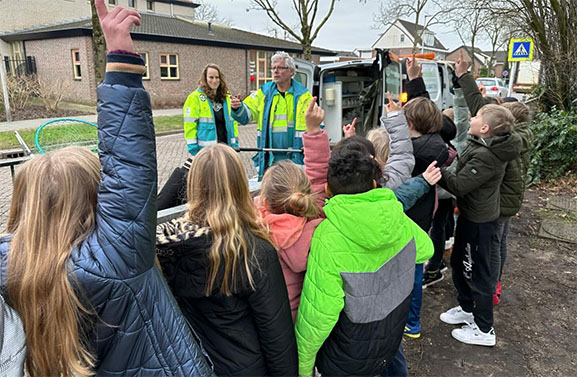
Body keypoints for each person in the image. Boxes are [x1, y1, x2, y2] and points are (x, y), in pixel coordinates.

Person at [0, 2, 214, 376]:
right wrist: (120, 64)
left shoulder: (10, 272)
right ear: (96, 197)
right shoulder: (115, 257)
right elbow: (129, 168)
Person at [156, 143, 298, 376]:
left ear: (193, 188)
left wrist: (180, 175)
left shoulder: (168, 247)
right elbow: (277, 338)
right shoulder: (254, 251)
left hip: (194, 366)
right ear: (240, 186)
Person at [295, 141, 434, 377]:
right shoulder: (395, 215)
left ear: (328, 190)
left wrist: (304, 368)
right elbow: (425, 249)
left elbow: (318, 316)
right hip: (388, 339)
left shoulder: (328, 236)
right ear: (373, 184)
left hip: (347, 356)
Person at [438, 99, 521, 346]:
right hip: (470, 216)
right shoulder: (483, 144)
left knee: (479, 272)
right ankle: (467, 308)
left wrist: (434, 170)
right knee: (458, 262)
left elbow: (460, 184)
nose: (471, 119)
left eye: (476, 117)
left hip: (480, 222)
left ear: (485, 129)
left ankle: (484, 329)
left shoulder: (487, 156)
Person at [158, 64, 239, 210]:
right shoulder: (195, 98)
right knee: (206, 184)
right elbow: (190, 125)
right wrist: (194, 150)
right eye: (211, 77)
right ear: (205, 79)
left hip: (224, 148)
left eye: (217, 77)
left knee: (222, 183)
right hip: (205, 151)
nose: (214, 81)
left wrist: (234, 146)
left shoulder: (226, 98)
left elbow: (232, 125)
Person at [231, 51, 312, 180]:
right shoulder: (263, 93)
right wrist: (237, 107)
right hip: (270, 160)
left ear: (291, 72)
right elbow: (246, 116)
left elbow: (316, 126)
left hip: (295, 159)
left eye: (280, 68)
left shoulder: (304, 96)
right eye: (273, 68)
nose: (275, 71)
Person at [492, 102, 534, 304]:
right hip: (511, 199)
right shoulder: (525, 137)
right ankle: (495, 283)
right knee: (501, 242)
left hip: (502, 200)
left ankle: (491, 287)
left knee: (494, 244)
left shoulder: (511, 142)